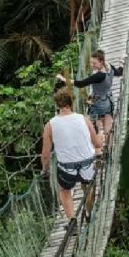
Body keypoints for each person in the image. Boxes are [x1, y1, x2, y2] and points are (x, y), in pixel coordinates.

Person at [41, 89, 102, 219]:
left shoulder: (50, 125)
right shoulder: (84, 119)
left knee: (64, 191)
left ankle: (72, 219)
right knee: (89, 186)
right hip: (87, 165)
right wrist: (101, 137)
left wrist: (44, 171)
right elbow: (97, 144)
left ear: (57, 105)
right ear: (71, 103)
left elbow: (45, 154)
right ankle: (88, 211)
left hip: (66, 170)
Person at [58, 50, 124, 147]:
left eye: (94, 63)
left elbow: (80, 84)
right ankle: (108, 148)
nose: (92, 65)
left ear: (101, 62)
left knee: (91, 125)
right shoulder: (109, 67)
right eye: (91, 62)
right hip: (109, 100)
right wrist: (121, 62)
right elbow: (119, 73)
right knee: (107, 126)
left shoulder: (99, 76)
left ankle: (98, 146)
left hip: (98, 103)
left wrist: (64, 79)